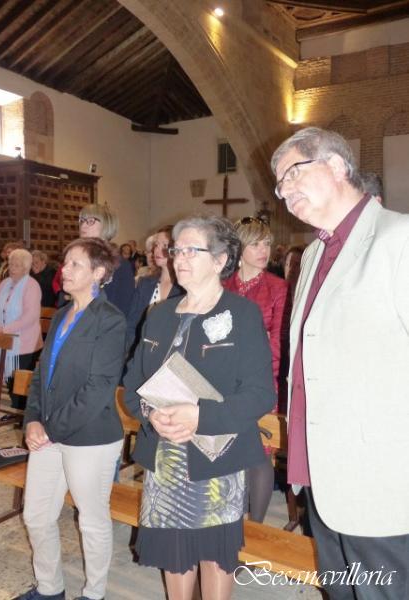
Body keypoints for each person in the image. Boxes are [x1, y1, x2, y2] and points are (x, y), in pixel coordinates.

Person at [271, 126, 409, 599]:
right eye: (279, 184)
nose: (285, 190)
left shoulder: (398, 238)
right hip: (322, 473)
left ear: (335, 165)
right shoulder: (313, 253)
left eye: (292, 173)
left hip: (381, 478)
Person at [123, 215, 276, 600]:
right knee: (174, 556)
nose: (180, 258)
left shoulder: (242, 314)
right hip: (166, 459)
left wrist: (200, 416)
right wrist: (150, 415)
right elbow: (132, 385)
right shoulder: (159, 315)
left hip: (217, 458)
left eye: (193, 250)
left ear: (221, 260)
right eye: (177, 250)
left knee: (215, 556)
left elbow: (261, 395)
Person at [15, 238, 127, 600]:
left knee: (91, 520)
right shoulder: (62, 314)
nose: (64, 269)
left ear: (98, 273)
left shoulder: (109, 320)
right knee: (36, 515)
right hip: (49, 432)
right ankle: (50, 589)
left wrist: (49, 428)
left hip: (91, 437)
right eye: (65, 263)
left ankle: (94, 594)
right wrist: (33, 419)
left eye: (75, 264)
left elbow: (99, 387)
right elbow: (41, 374)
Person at [223, 217, 290, 521]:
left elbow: (278, 344)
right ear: (239, 248)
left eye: (267, 244)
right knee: (229, 451)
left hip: (263, 382)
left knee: (259, 455)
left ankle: (257, 527)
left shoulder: (278, 287)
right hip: (224, 383)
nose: (264, 250)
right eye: (256, 244)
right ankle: (231, 521)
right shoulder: (223, 285)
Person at [0, 249, 42, 415]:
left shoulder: (32, 285)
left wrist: (6, 329)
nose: (12, 268)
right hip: (4, 339)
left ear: (26, 268)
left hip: (25, 343)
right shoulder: (4, 284)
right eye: (11, 264)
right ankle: (16, 411)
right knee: (10, 379)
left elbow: (31, 316)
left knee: (21, 382)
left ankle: (23, 414)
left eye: (17, 265)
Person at [126, 226, 183, 353]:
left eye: (165, 245)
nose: (157, 250)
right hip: (140, 351)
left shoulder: (184, 288)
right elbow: (132, 325)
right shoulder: (145, 283)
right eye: (156, 245)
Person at [79, 204, 135, 316]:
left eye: (90, 221)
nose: (83, 226)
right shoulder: (76, 260)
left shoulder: (121, 266)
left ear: (106, 225)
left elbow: (122, 309)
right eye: (82, 220)